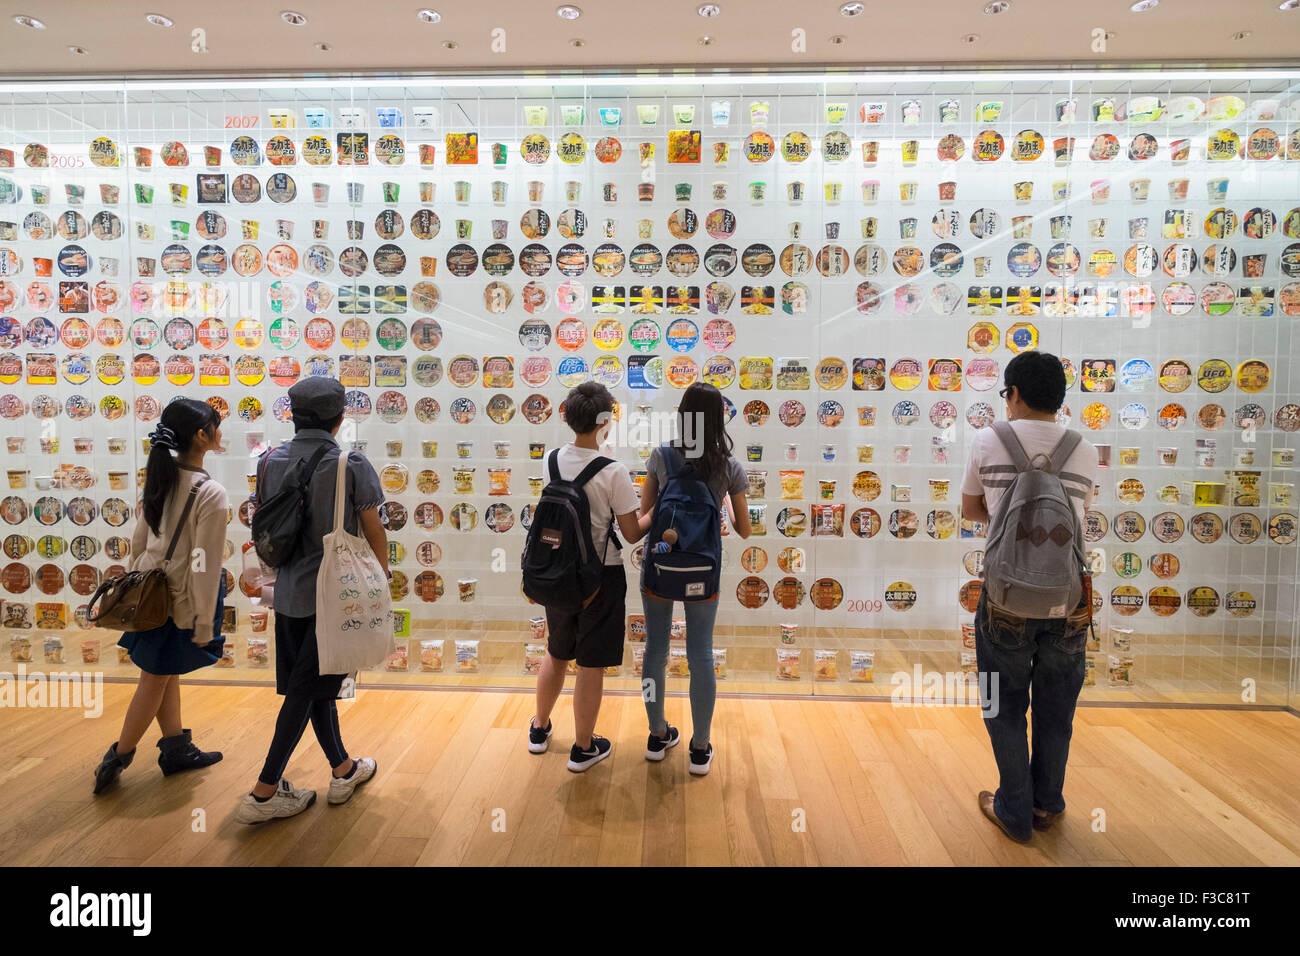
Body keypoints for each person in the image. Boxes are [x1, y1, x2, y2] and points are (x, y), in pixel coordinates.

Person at [960, 350, 1098, 843]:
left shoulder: (988, 439)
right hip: (1069, 598)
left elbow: (972, 509)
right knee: (1058, 709)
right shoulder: (1085, 448)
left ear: (1014, 393)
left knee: (1004, 705)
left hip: (1006, 595)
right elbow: (1079, 521)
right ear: (1059, 397)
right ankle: (1047, 803)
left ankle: (1013, 810)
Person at [235, 378, 386, 824]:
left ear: (293, 414)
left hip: (289, 593)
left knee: (317, 686)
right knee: (305, 692)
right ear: (340, 418)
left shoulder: (269, 461)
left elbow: (265, 521)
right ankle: (263, 794)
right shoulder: (349, 463)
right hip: (338, 596)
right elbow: (374, 526)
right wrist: (380, 577)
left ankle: (343, 769)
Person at [93, 398, 230, 794]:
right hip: (180, 600)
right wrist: (204, 621)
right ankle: (117, 756)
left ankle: (176, 749)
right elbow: (203, 564)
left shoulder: (161, 476)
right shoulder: (210, 491)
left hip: (151, 593)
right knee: (154, 680)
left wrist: (139, 582)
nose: (219, 431)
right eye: (215, 425)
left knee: (163, 674)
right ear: (202, 436)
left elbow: (139, 542)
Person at [528, 382, 649, 772]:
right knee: (591, 663)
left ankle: (539, 728)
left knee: (557, 651)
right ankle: (583, 748)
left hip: (556, 574)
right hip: (601, 577)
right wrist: (655, 507)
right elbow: (631, 534)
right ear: (603, 423)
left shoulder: (549, 460)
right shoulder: (613, 471)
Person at [637, 382, 750, 775]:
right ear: (719, 417)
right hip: (704, 571)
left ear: (682, 414)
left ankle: (657, 734)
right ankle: (699, 748)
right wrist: (724, 510)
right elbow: (745, 530)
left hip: (661, 567)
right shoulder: (729, 465)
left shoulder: (661, 456)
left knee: (655, 651)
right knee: (700, 654)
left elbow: (641, 519)